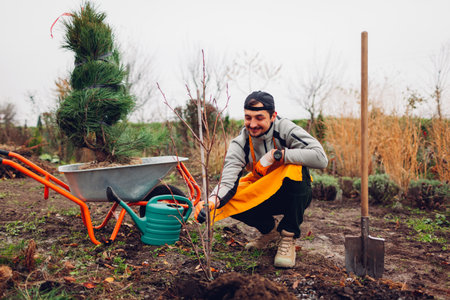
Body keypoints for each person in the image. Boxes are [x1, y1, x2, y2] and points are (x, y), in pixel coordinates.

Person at [194, 91, 328, 268]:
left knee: (296, 167)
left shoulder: (285, 128)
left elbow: (321, 158)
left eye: (259, 117)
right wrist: (211, 201)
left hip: (292, 194)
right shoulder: (240, 143)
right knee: (228, 199)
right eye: (248, 118)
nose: (253, 124)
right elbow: (227, 181)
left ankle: (288, 237)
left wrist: (280, 155)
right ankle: (269, 231)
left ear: (273, 116)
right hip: (263, 192)